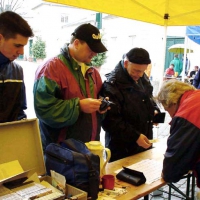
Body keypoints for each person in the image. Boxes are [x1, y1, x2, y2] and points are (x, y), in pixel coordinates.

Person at [33, 23, 108, 152]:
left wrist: (101, 105)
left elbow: (98, 99)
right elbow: (44, 110)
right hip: (62, 154)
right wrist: (78, 106)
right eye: (91, 49)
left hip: (89, 149)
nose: (94, 54)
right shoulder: (51, 68)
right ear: (77, 43)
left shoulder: (93, 72)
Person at [100, 47, 160, 162]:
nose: (140, 75)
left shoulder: (141, 77)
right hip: (122, 149)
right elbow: (110, 121)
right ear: (126, 63)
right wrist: (135, 136)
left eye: (143, 71)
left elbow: (149, 98)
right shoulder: (112, 85)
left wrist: (154, 111)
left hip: (144, 141)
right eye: (136, 71)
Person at [156, 79, 200, 187]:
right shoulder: (196, 96)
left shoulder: (187, 112)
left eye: (167, 110)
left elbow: (173, 166)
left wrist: (166, 173)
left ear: (173, 103)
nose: (170, 116)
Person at [0, 11, 34, 123]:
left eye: (24, 46)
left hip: (10, 138)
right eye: (17, 45)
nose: (21, 52)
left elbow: (20, 111)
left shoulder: (17, 71)